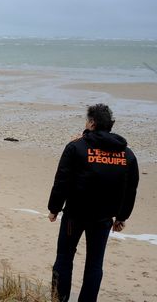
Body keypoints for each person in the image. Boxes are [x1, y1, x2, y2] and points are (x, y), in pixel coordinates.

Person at [48, 104, 139, 302]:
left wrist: (54, 208)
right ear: (110, 125)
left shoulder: (76, 147)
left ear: (91, 123)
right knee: (94, 265)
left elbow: (62, 180)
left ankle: (58, 300)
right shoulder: (127, 154)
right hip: (104, 218)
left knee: (64, 258)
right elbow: (130, 190)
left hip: (75, 215)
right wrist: (122, 217)